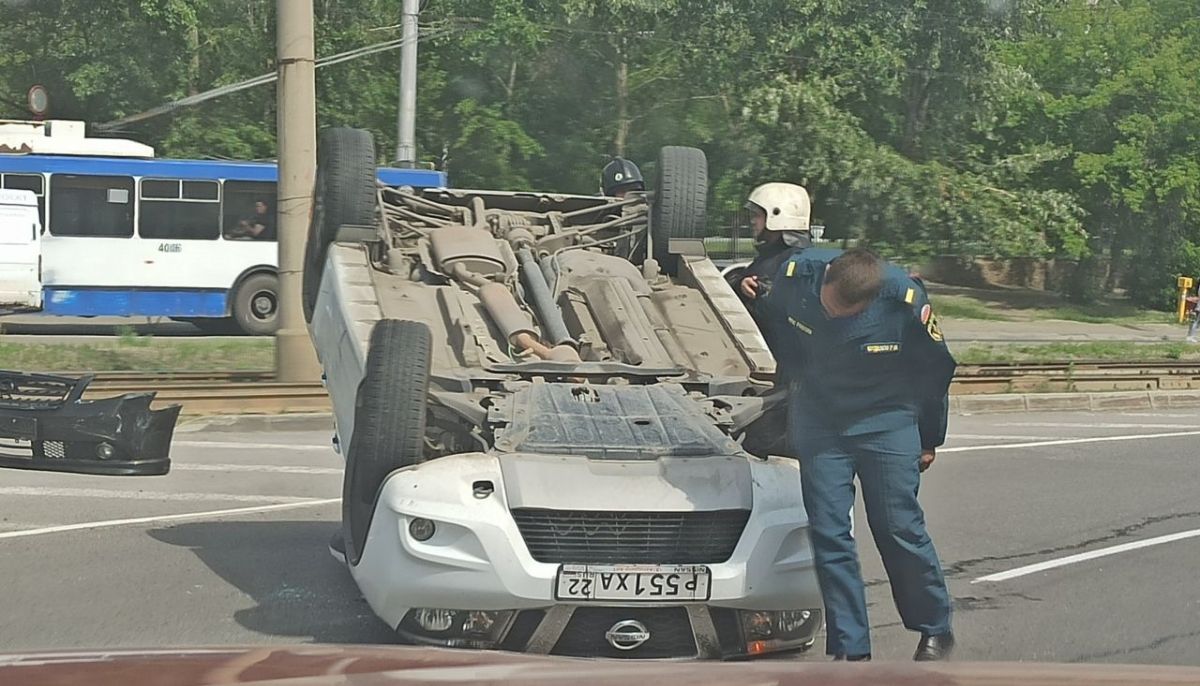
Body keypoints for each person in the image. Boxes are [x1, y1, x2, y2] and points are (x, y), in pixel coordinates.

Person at [759, 247, 957, 662]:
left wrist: (928, 437)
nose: (833, 317)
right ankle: (852, 648)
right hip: (822, 420)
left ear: (869, 300)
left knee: (898, 526)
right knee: (829, 533)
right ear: (825, 279)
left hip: (887, 418)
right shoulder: (797, 276)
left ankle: (934, 625)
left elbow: (935, 371)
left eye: (846, 314)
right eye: (829, 307)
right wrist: (796, 381)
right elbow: (774, 319)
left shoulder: (904, 301)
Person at [727, 182, 813, 316]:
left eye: (757, 215)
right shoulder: (771, 254)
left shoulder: (799, 260)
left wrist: (765, 290)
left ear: (777, 215)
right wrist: (742, 284)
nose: (753, 221)